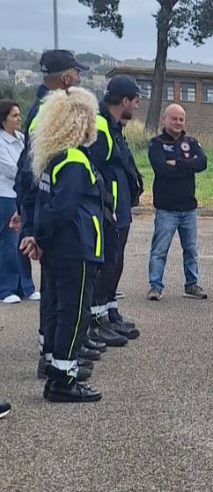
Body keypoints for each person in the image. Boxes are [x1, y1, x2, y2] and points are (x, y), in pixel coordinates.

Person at [15, 51, 103, 375]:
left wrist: (36, 233)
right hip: (74, 245)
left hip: (58, 240)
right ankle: (61, 372)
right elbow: (58, 203)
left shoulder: (55, 153)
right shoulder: (72, 158)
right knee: (70, 310)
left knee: (57, 304)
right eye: (76, 73)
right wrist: (35, 234)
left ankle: (54, 360)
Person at [87, 75, 144, 345]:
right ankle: (97, 322)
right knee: (107, 265)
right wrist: (105, 207)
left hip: (120, 209)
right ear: (124, 100)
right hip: (108, 211)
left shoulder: (114, 126)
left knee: (116, 263)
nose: (137, 106)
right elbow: (94, 170)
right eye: (136, 101)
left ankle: (110, 313)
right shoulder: (100, 127)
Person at [146, 104, 208, 301]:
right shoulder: (156, 143)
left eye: (181, 119)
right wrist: (188, 167)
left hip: (188, 208)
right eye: (174, 118)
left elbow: (203, 163)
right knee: (159, 250)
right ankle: (155, 286)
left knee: (191, 250)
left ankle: (192, 285)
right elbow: (161, 169)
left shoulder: (191, 142)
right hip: (166, 209)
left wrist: (177, 162)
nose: (178, 122)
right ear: (164, 120)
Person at [0, 99, 36, 303]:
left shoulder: (22, 138)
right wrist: (28, 174)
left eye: (19, 114)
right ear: (3, 119)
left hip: (21, 195)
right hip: (5, 195)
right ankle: (6, 288)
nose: (19, 118)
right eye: (14, 115)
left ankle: (25, 286)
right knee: (8, 243)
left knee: (23, 240)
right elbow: (12, 169)